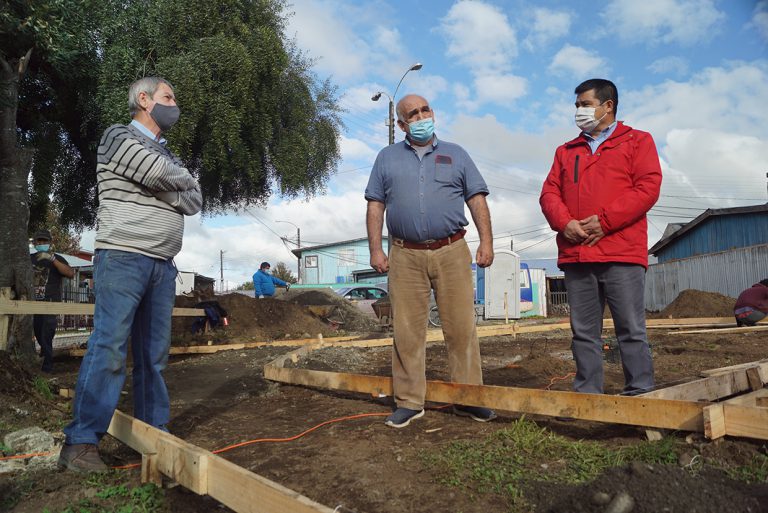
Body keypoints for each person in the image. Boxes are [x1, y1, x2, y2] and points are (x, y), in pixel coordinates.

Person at [59, 77, 202, 472]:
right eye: (168, 97)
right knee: (109, 347)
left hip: (162, 265)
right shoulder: (117, 137)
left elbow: (194, 198)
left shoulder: (168, 155)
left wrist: (165, 184)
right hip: (123, 257)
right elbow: (163, 176)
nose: (175, 104)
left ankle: (155, 434)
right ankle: (80, 444)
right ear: (144, 99)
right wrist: (173, 183)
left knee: (153, 358)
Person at [365, 94, 496, 428]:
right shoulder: (386, 158)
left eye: (425, 110)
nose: (421, 116)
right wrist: (375, 250)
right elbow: (375, 205)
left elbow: (476, 199)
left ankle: (467, 399)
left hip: (452, 251)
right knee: (407, 331)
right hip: (405, 255)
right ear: (401, 124)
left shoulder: (456, 154)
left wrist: (487, 241)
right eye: (413, 113)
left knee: (461, 327)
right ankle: (409, 402)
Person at [540, 78, 662, 396]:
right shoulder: (566, 151)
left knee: (631, 330)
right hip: (577, 253)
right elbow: (549, 193)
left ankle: (641, 395)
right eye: (577, 105)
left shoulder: (637, 141)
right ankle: (587, 396)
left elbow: (647, 188)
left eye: (585, 104)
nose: (579, 110)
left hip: (621, 252)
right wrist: (564, 223)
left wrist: (605, 222)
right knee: (583, 332)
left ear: (608, 106)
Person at [30, 229, 74, 373]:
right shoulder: (28, 259)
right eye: (39, 241)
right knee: (37, 332)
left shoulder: (57, 259)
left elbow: (70, 273)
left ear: (50, 243)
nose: (42, 243)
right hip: (33, 303)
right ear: (35, 242)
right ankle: (43, 358)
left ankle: (47, 366)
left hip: (51, 302)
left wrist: (52, 259)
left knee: (47, 333)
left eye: (45, 241)